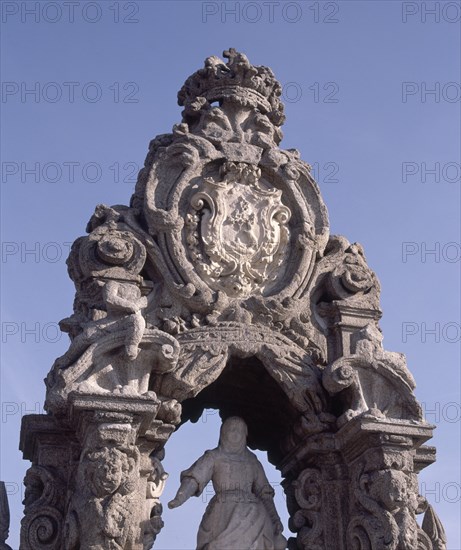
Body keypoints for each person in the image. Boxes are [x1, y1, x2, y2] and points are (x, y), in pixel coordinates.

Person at [168, 417, 287, 550]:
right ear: (223, 432)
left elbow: (265, 493)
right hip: (222, 512)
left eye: (240, 430)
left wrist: (274, 518)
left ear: (245, 435)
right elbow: (195, 478)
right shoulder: (214, 456)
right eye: (232, 430)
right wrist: (180, 497)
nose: (236, 434)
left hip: (254, 515)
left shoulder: (252, 461)